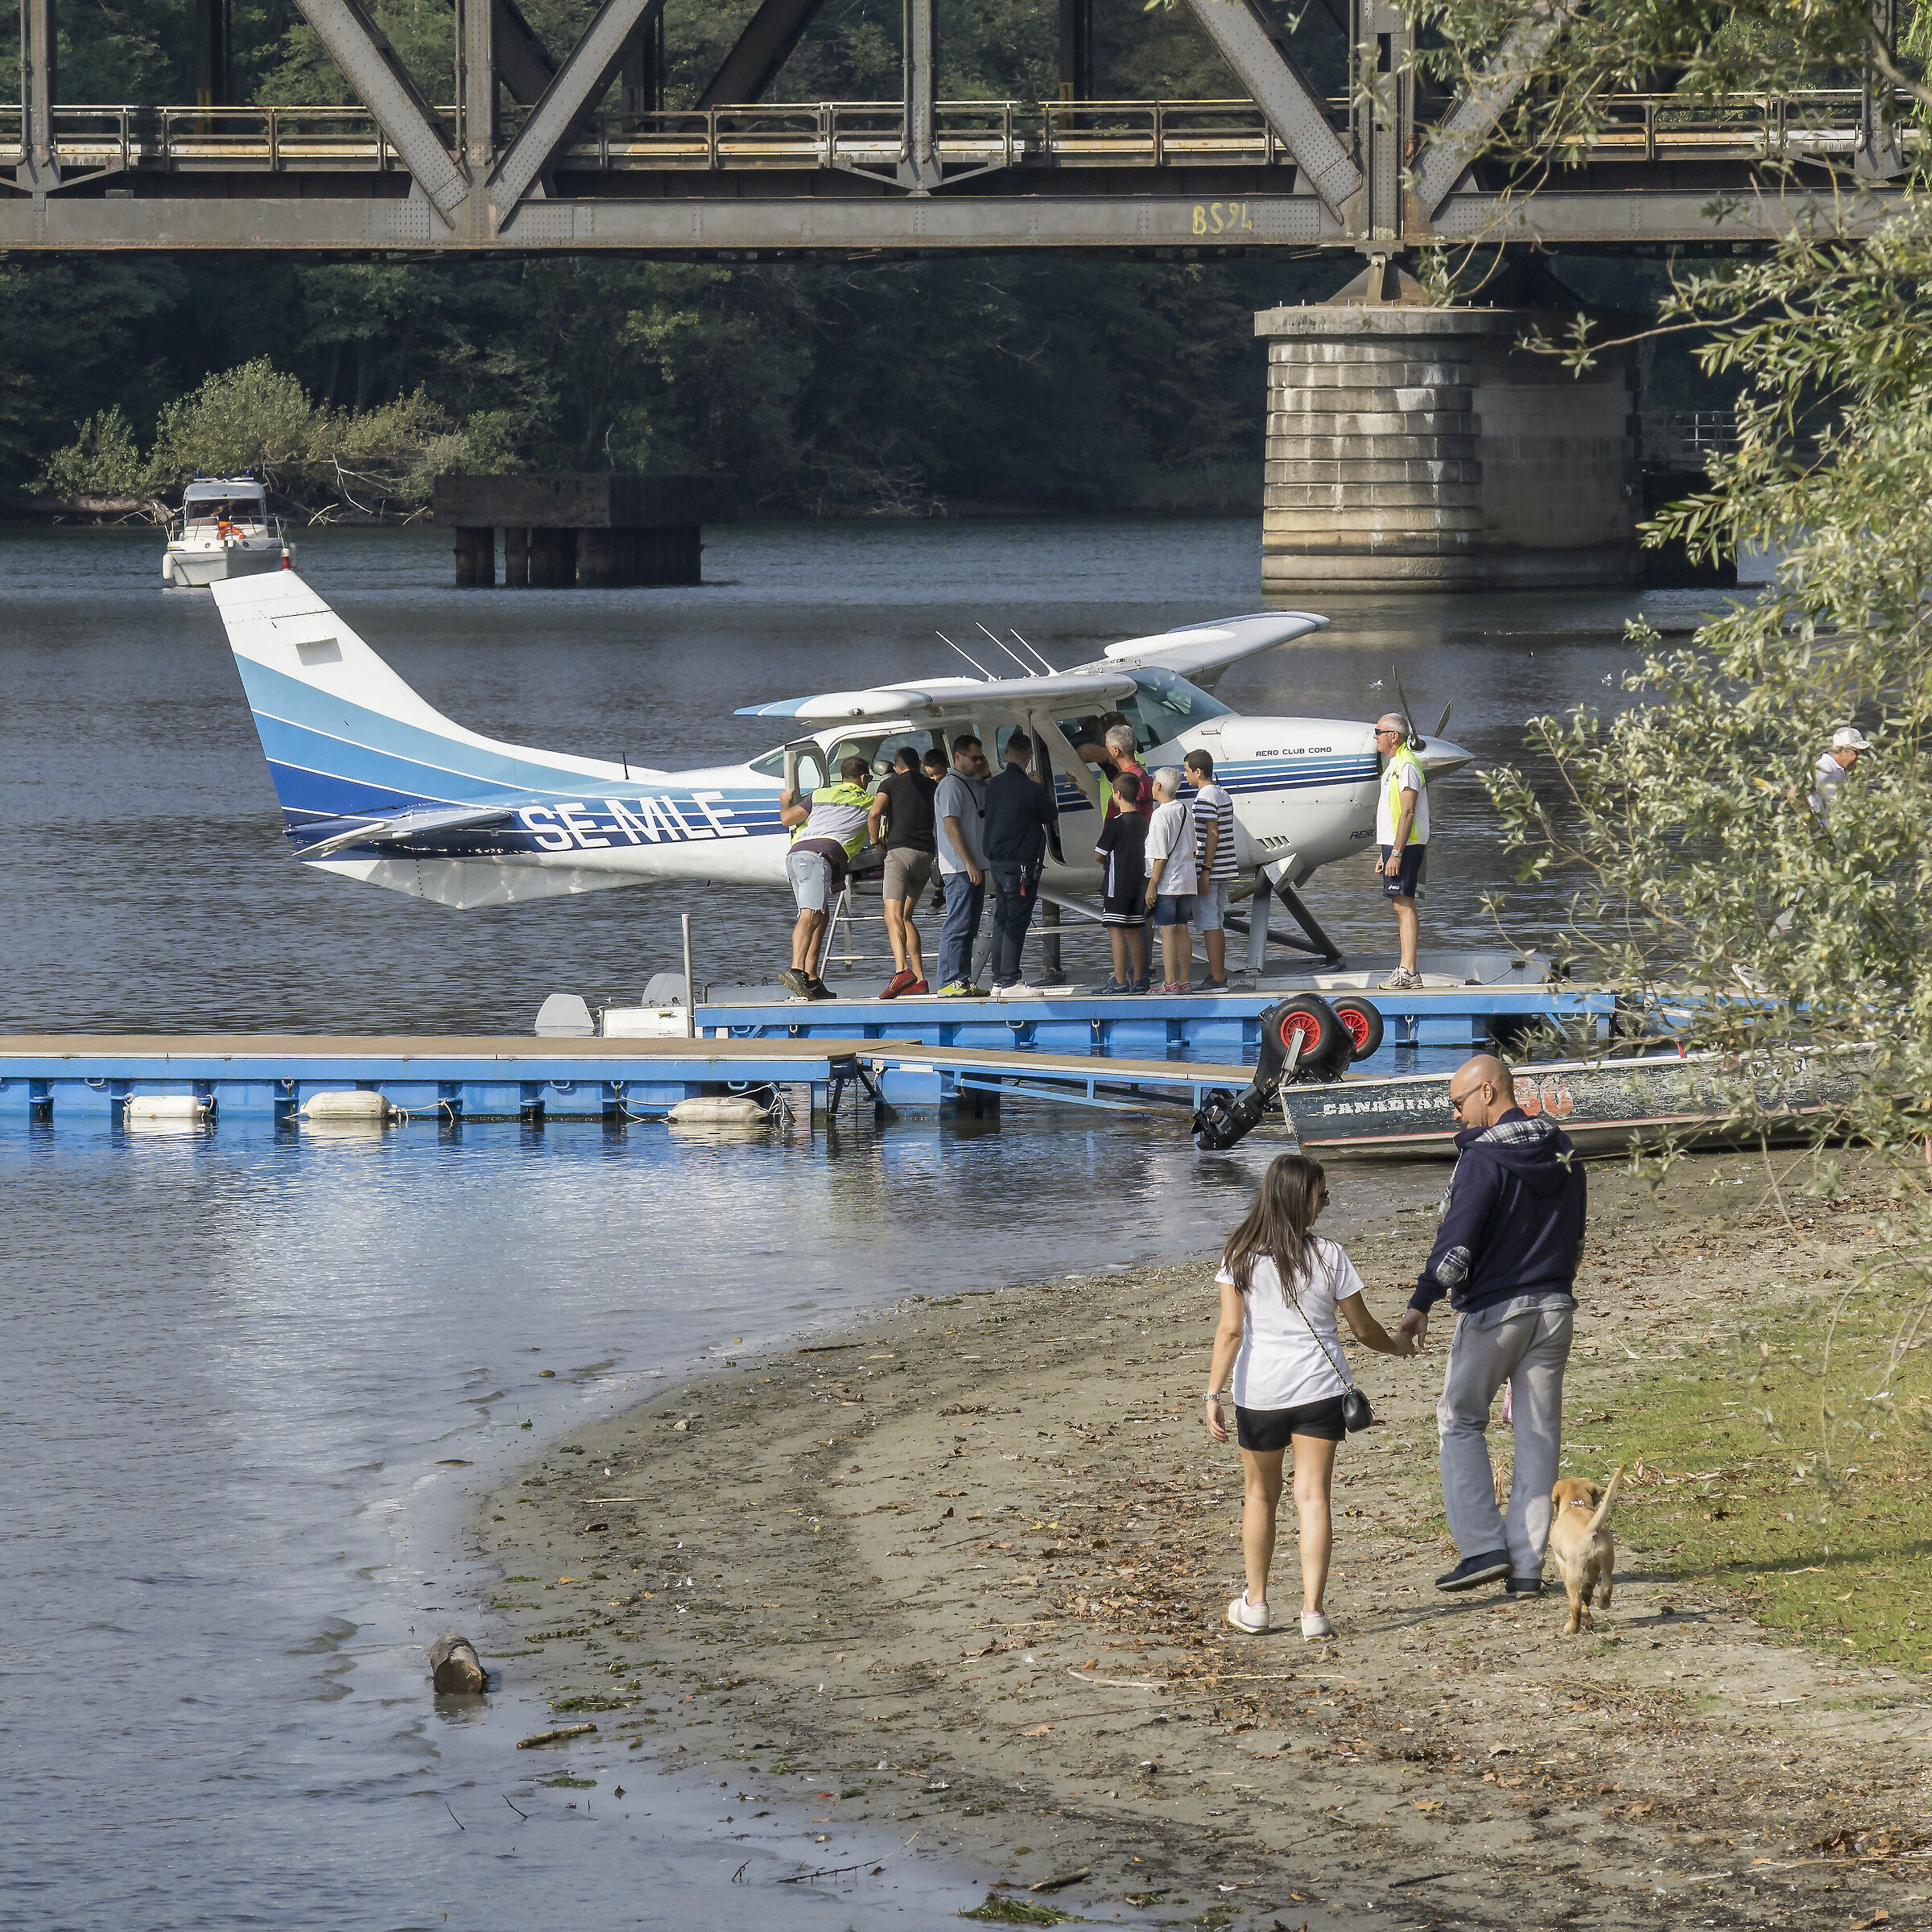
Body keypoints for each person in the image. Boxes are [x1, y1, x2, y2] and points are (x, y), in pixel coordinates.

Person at [1395, 1054, 1588, 1599]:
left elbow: (1457, 1244)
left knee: (1458, 1419)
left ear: (1486, 1092)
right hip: (1555, 1305)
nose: (1455, 1116)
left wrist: (1423, 1299)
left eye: (1457, 1104)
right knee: (1538, 1437)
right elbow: (1575, 1232)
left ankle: (1482, 1547)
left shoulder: (1482, 1158)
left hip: (1497, 1309)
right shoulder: (1564, 1147)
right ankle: (1526, 1569)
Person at [1203, 1154, 1414, 1639]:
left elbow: (1231, 1331)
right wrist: (1398, 1347)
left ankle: (1255, 1604)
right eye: (1321, 1193)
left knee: (1259, 1496)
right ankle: (1313, 1613)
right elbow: (1362, 1329)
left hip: (1260, 1392)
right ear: (1300, 1197)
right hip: (1320, 1390)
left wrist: (1213, 1392)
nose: (1326, 1201)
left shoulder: (1238, 1254)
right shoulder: (1329, 1256)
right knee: (1313, 1497)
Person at [778, 755, 874, 1001]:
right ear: (864, 779)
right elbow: (876, 821)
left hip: (795, 856)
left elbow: (787, 819)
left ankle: (811, 979)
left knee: (821, 915)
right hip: (817, 858)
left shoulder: (819, 795)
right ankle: (797, 969)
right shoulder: (869, 802)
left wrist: (785, 802)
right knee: (811, 914)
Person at [980, 729, 1056, 989]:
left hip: (997, 863)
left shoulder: (994, 787)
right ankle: (1011, 978)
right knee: (1016, 920)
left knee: (1002, 918)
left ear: (1006, 754)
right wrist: (1037, 786)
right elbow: (1050, 813)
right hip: (1021, 865)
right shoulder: (1030, 789)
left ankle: (999, 979)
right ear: (1030, 756)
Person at [868, 746, 938, 997]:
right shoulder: (931, 786)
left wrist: (876, 842)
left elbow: (875, 812)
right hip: (926, 857)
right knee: (906, 917)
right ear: (919, 764)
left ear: (896, 767)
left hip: (900, 854)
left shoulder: (890, 783)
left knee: (891, 914)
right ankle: (919, 979)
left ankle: (902, 971)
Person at [1373, 712, 1429, 992]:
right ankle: (1406, 967)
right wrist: (1385, 852)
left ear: (1394, 736)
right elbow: (1391, 812)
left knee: (1404, 904)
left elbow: (1408, 811)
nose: (1375, 737)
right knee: (1399, 904)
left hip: (1407, 845)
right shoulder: (1394, 765)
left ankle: (1408, 971)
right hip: (1395, 845)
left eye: (1378, 731)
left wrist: (1396, 852)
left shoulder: (1407, 765)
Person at [933, 735, 989, 997]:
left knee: (970, 924)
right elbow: (951, 826)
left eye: (981, 757)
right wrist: (969, 862)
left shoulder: (972, 783)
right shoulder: (950, 785)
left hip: (974, 865)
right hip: (959, 867)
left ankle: (963, 978)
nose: (978, 762)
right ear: (958, 757)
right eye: (974, 758)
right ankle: (949, 979)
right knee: (958, 923)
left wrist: (986, 774)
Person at [1184, 747, 1237, 991]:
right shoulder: (1223, 794)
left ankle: (1217, 977)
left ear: (1198, 771)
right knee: (1217, 921)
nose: (1185, 776)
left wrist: (1205, 870)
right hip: (1226, 866)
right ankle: (1217, 974)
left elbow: (1212, 834)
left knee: (1209, 924)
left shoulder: (1204, 797)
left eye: (1187, 771)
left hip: (1212, 869)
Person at [1094, 770, 1150, 993]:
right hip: (1139, 885)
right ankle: (1139, 980)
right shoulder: (1144, 822)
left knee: (1116, 930)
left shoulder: (1115, 823)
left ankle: (1119, 980)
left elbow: (1098, 854)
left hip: (1117, 885)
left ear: (1116, 795)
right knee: (1135, 931)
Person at [1144, 767, 1196, 993]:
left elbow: (1159, 856)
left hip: (1168, 882)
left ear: (1158, 786)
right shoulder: (1185, 811)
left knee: (1166, 931)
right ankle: (1185, 981)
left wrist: (1152, 886)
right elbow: (1194, 849)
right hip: (1187, 880)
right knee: (1182, 929)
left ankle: (1169, 982)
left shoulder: (1160, 814)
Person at [1809, 725, 1870, 824]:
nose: (1861, 757)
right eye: (1857, 752)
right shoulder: (1825, 766)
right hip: (1820, 836)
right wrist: (1814, 827)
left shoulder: (1840, 769)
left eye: (1863, 752)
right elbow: (1795, 794)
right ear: (1840, 751)